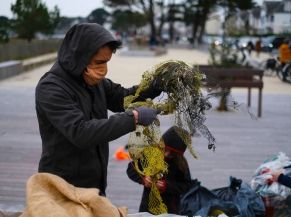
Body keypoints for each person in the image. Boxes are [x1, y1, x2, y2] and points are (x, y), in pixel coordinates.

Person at [35, 23, 162, 196]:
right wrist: (134, 118)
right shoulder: (51, 88)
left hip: (94, 183)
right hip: (62, 187)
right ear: (80, 57)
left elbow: (124, 98)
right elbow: (81, 132)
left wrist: (155, 85)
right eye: (99, 62)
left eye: (107, 62)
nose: (104, 69)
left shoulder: (95, 81)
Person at [126, 126, 192, 214]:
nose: (167, 155)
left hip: (171, 209)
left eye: (172, 153)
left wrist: (166, 186)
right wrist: (144, 179)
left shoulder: (181, 164)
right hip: (147, 207)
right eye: (165, 150)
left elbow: (186, 185)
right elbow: (131, 169)